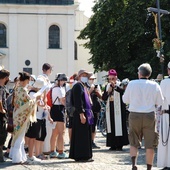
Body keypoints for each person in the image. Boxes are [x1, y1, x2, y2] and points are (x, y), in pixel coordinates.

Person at [123, 63, 164, 170]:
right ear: (149, 74)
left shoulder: (132, 84)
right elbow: (160, 101)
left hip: (135, 114)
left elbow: (125, 100)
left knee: (134, 140)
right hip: (149, 115)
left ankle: (133, 164)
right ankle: (149, 168)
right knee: (150, 144)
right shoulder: (154, 85)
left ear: (139, 73)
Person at [9, 72, 37, 164]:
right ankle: (17, 158)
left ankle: (19, 157)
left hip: (17, 115)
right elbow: (29, 102)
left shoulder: (17, 88)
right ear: (25, 80)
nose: (28, 82)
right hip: (21, 116)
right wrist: (35, 99)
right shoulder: (22, 90)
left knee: (18, 137)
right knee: (20, 137)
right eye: (28, 81)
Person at [69, 69, 93, 162]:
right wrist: (81, 114)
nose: (85, 77)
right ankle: (81, 155)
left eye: (86, 76)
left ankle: (85, 154)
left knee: (85, 134)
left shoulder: (83, 86)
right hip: (80, 113)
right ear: (79, 76)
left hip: (86, 112)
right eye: (83, 75)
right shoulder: (77, 87)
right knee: (80, 135)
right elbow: (78, 101)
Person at [102, 69, 129, 151]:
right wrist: (107, 92)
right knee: (111, 126)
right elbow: (104, 98)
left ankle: (119, 144)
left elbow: (123, 92)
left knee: (119, 126)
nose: (111, 81)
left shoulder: (120, 84)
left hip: (119, 109)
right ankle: (112, 144)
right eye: (109, 79)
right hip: (110, 108)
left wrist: (115, 87)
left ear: (116, 78)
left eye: (112, 79)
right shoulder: (107, 86)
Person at [49, 73, 68, 159]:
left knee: (55, 132)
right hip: (59, 110)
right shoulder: (59, 89)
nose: (64, 82)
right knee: (62, 132)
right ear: (60, 80)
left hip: (53, 109)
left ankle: (52, 151)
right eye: (63, 80)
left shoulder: (53, 87)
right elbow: (63, 101)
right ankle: (61, 151)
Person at [157, 62, 170, 170]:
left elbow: (161, 100)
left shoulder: (164, 83)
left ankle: (167, 162)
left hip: (166, 113)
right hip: (166, 113)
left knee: (166, 139)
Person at [88, 74, 102, 149]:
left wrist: (96, 91)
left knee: (94, 125)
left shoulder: (97, 86)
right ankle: (87, 141)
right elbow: (85, 96)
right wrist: (90, 90)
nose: (92, 80)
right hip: (88, 108)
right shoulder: (85, 86)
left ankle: (92, 141)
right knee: (88, 125)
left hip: (95, 107)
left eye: (93, 79)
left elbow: (101, 96)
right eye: (90, 79)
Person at [0, 68, 10, 162]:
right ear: (5, 77)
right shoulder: (0, 87)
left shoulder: (3, 87)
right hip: (1, 115)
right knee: (2, 133)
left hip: (3, 115)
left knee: (3, 133)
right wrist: (2, 109)